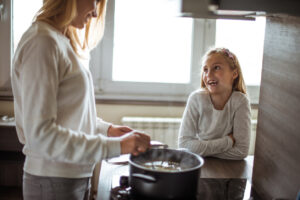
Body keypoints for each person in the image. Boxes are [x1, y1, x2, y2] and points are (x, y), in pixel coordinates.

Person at [11, 0, 150, 199]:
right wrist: (118, 146)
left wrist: (106, 130)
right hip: (52, 180)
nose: (95, 13)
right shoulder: (42, 42)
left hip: (70, 177)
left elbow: (68, 114)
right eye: (95, 1)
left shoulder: (58, 39)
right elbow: (41, 136)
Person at [178, 47, 251, 160]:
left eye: (216, 68)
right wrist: (228, 141)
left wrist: (200, 150)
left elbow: (241, 151)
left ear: (234, 73)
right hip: (202, 168)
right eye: (205, 70)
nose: (209, 75)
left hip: (230, 170)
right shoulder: (196, 99)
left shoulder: (240, 101)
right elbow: (184, 146)